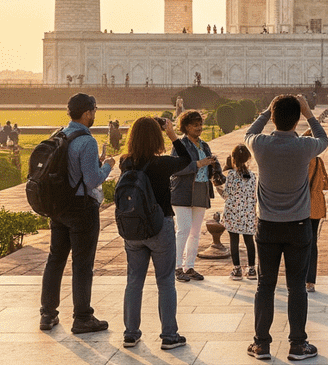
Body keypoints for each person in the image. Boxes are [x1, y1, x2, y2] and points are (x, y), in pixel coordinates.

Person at [243, 94, 328, 361]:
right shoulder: (304, 147)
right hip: (298, 226)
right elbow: (323, 139)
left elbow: (249, 132)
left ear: (273, 116)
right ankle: (297, 345)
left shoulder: (260, 144)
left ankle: (261, 344)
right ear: (296, 119)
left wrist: (267, 111)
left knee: (265, 286)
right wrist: (309, 114)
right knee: (296, 288)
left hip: (267, 226)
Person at [118, 116, 194, 349]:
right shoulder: (162, 164)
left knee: (134, 281)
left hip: (133, 229)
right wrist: (172, 134)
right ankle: (169, 335)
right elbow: (186, 160)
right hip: (160, 227)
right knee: (165, 282)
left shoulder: (125, 162)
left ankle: (131, 333)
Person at [39, 93, 113, 335]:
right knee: (82, 264)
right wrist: (108, 166)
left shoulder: (60, 134)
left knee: (55, 259)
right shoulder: (87, 141)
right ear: (88, 112)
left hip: (58, 207)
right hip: (81, 209)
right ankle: (82, 317)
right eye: (94, 110)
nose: (95, 114)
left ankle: (47, 313)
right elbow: (92, 180)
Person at [170, 111, 222, 282]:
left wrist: (214, 166)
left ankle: (189, 266)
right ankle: (177, 267)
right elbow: (175, 168)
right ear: (185, 127)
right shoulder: (180, 145)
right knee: (183, 230)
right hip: (183, 191)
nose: (199, 128)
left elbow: (209, 165)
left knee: (195, 233)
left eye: (200, 124)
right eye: (195, 125)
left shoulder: (204, 145)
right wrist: (199, 164)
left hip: (201, 189)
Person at [221, 146, 259, 282]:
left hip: (233, 213)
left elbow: (226, 195)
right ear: (248, 158)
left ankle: (237, 270)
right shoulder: (252, 175)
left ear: (233, 159)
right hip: (248, 213)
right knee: (249, 241)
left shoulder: (231, 175)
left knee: (234, 241)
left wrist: (218, 187)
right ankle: (252, 269)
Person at [304, 155, 328, 292]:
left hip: (304, 205)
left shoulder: (303, 161)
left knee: (301, 242)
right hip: (317, 204)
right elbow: (326, 185)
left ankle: (300, 278)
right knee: (313, 242)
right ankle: (310, 281)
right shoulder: (319, 161)